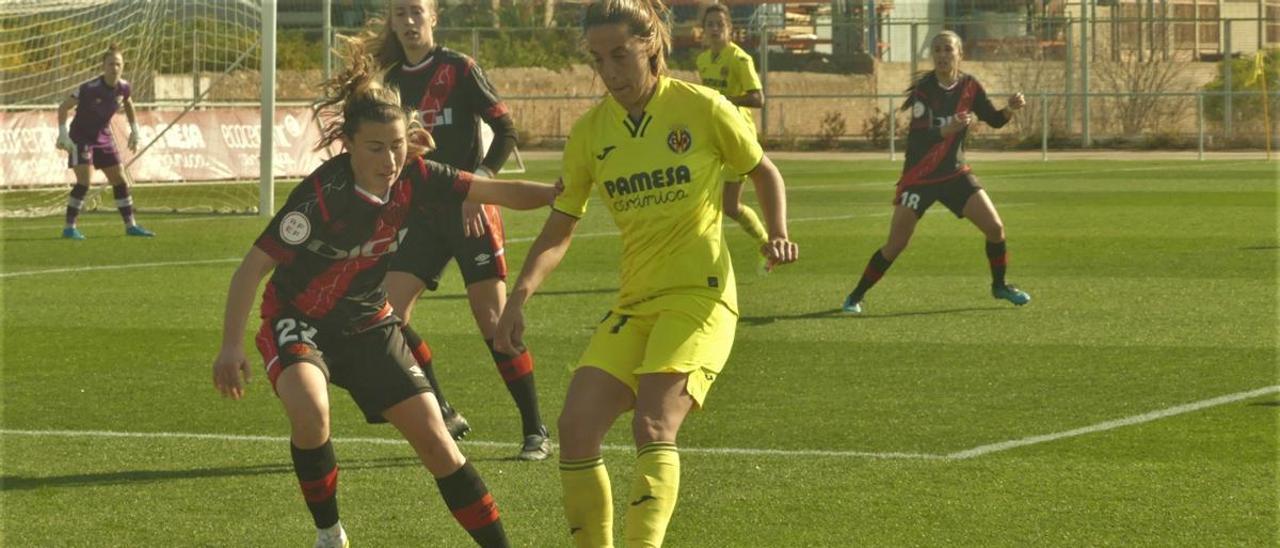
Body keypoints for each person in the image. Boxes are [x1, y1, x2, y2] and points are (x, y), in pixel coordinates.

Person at [211, 46, 558, 548]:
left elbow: (504, 193)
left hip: (370, 324)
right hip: (299, 319)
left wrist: (558, 193)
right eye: (375, 147)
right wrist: (230, 345)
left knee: (438, 442)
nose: (390, 158)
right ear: (347, 145)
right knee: (310, 409)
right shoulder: (319, 196)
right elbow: (252, 268)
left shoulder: (416, 176)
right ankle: (330, 533)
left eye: (397, 144)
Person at [491, 1, 798, 546]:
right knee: (576, 428)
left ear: (651, 46)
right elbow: (560, 228)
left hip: (699, 299)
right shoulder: (591, 133)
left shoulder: (702, 107)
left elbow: (763, 170)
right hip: (635, 303)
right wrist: (519, 297)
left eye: (620, 55)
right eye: (598, 59)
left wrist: (776, 231)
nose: (609, 72)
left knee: (653, 424)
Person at [369, 0, 551, 461]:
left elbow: (505, 131)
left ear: (434, 18)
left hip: (470, 210)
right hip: (422, 215)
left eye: (416, 13)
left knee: (494, 324)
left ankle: (535, 431)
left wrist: (482, 183)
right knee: (388, 313)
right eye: (399, 15)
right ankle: (444, 410)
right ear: (391, 23)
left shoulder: (460, 68)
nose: (408, 23)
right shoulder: (389, 80)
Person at [841, 30, 1030, 314]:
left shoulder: (969, 86)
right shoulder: (924, 91)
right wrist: (947, 129)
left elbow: (993, 120)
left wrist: (1009, 109)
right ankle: (854, 297)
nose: (943, 55)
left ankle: (1000, 286)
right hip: (920, 177)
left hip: (955, 175)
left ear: (959, 54)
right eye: (938, 50)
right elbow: (919, 137)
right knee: (896, 244)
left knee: (995, 228)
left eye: (948, 50)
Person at [694, 2, 772, 272]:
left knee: (729, 206)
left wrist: (725, 100)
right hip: (714, 136)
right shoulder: (703, 61)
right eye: (710, 25)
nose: (715, 29)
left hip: (739, 136)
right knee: (703, 200)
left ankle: (767, 243)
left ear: (729, 29)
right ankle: (700, 260)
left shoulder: (740, 59)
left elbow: (758, 98)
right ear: (703, 30)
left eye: (720, 24)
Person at [54, 44, 154, 240]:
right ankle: (69, 227)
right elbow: (63, 107)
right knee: (85, 182)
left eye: (118, 64)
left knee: (120, 179)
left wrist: (134, 129)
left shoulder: (124, 87)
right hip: (81, 136)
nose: (114, 68)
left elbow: (128, 102)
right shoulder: (89, 88)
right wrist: (63, 133)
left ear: (123, 66)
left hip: (103, 137)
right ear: (103, 66)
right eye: (111, 64)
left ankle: (131, 226)